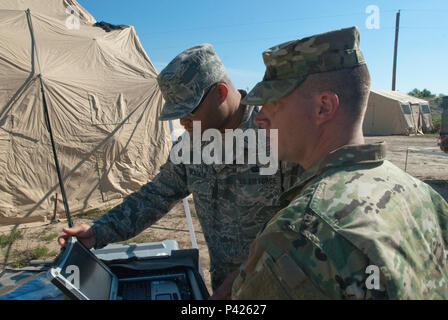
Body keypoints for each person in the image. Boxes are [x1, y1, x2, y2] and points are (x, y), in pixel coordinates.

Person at [224, 26, 448, 299]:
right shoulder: (421, 193)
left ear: (324, 107)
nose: (260, 118)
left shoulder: (303, 230)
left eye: (273, 103)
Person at [58, 44, 302, 292]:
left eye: (188, 111)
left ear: (220, 93)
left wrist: (245, 276)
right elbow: (156, 195)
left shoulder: (280, 138)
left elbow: (305, 229)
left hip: (278, 286)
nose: (182, 122)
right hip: (222, 286)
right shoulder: (192, 145)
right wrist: (98, 231)